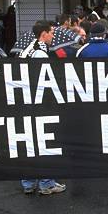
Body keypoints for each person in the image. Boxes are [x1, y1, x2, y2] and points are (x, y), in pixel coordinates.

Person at [19, 20, 67, 195]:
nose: (53, 35)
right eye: (51, 32)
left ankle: (28, 182)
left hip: (26, 103)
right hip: (39, 104)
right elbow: (43, 82)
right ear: (44, 33)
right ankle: (46, 183)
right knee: (45, 142)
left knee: (30, 143)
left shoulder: (28, 49)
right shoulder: (39, 53)